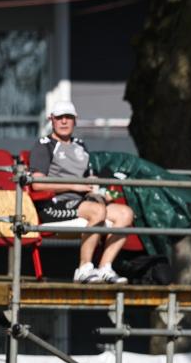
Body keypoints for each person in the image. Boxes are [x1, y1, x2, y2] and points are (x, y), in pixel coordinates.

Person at [28, 100, 133, 283]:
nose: (64, 122)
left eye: (68, 117)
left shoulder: (80, 145)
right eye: (59, 118)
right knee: (97, 210)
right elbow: (37, 183)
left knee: (125, 213)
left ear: (75, 120)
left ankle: (104, 268)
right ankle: (84, 268)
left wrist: (95, 186)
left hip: (82, 202)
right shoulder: (44, 145)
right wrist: (73, 185)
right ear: (51, 120)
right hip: (52, 204)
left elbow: (86, 179)